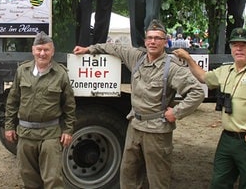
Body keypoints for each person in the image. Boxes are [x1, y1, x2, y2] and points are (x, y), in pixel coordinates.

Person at [73, 20, 204, 188]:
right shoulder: (137, 58)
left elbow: (197, 92)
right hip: (135, 126)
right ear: (145, 41)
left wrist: (176, 112)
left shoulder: (171, 68)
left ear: (165, 42)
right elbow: (115, 48)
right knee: (128, 175)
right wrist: (89, 49)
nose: (153, 42)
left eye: (158, 38)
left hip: (157, 131)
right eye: (150, 38)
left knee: (158, 179)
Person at [173, 28, 246, 188]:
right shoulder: (225, 71)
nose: (239, 49)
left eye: (244, 45)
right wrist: (188, 58)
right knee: (219, 183)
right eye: (235, 45)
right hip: (227, 140)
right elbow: (203, 77)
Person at [4, 31, 76, 188]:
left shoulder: (61, 74)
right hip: (26, 134)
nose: (42, 53)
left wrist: (68, 130)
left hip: (50, 135)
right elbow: (12, 101)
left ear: (52, 51)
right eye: (39, 49)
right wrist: (9, 126)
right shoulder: (22, 71)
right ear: (33, 50)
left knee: (53, 179)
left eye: (46, 50)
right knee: (28, 176)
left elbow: (69, 106)